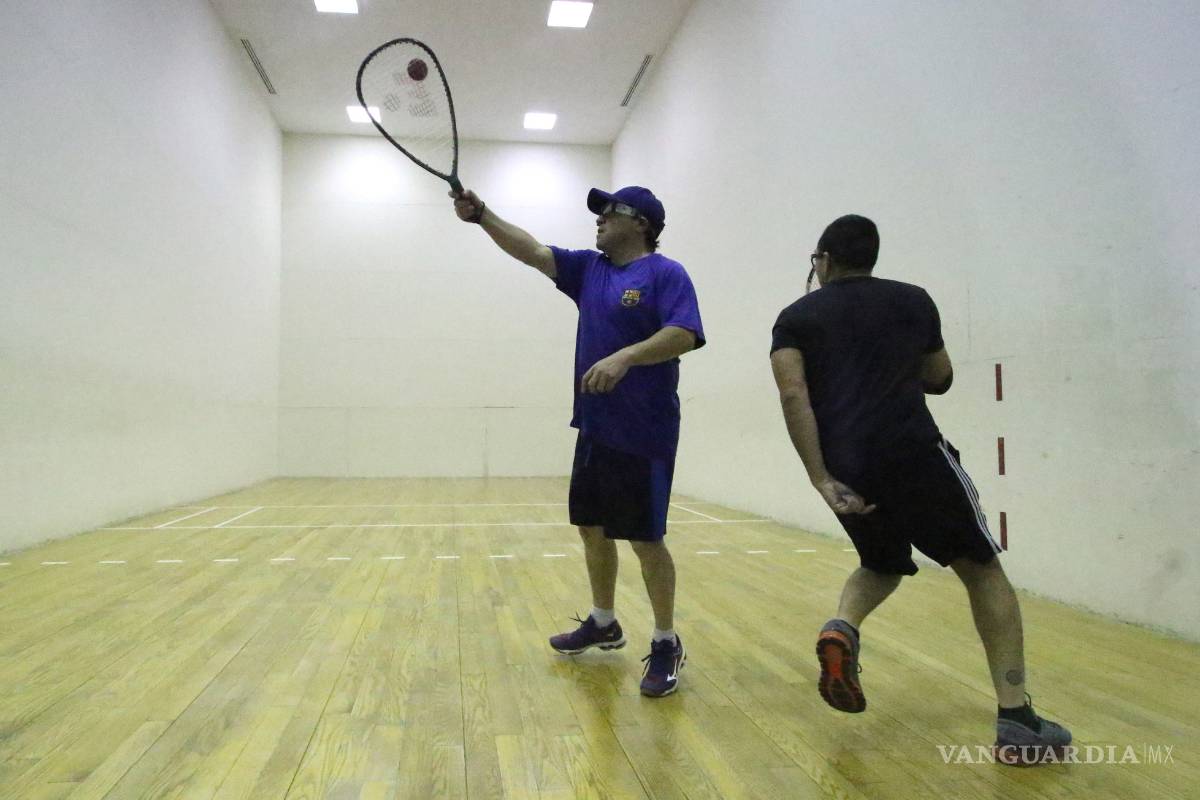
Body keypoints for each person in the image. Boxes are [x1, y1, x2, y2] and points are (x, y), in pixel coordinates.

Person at [769, 214, 1070, 765]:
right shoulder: (914, 300)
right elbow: (940, 377)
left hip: (847, 468)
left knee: (881, 561)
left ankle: (842, 628)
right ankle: (1016, 718)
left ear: (825, 260)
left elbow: (794, 396)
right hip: (915, 457)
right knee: (980, 569)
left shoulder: (794, 318)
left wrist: (821, 478)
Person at [451, 184, 705, 697]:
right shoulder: (591, 270)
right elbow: (534, 251)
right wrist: (483, 216)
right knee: (591, 528)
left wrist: (625, 357)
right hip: (593, 427)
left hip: (645, 430)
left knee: (644, 538)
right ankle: (604, 620)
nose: (599, 219)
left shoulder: (665, 273)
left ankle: (664, 641)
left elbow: (685, 333)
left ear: (641, 223)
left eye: (610, 212)